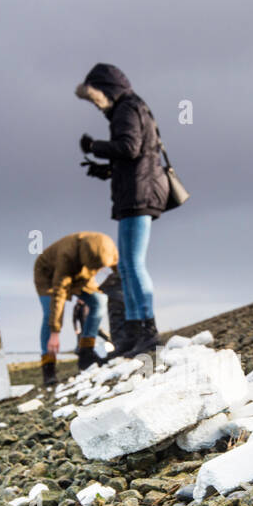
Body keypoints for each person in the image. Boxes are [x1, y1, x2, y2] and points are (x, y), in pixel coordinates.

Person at [76, 63, 170, 357]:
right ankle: (133, 333)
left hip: (138, 195)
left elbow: (129, 147)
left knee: (132, 264)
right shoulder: (132, 107)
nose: (95, 104)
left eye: (95, 97)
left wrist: (95, 146)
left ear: (106, 89)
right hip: (136, 192)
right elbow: (136, 155)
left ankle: (146, 331)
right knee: (129, 266)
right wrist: (104, 170)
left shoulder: (126, 108)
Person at [34, 232, 119, 384]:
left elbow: (119, 269)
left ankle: (86, 353)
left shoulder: (107, 248)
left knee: (98, 301)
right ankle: (48, 367)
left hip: (81, 274)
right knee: (49, 314)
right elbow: (58, 296)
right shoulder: (66, 256)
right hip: (48, 275)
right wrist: (55, 332)